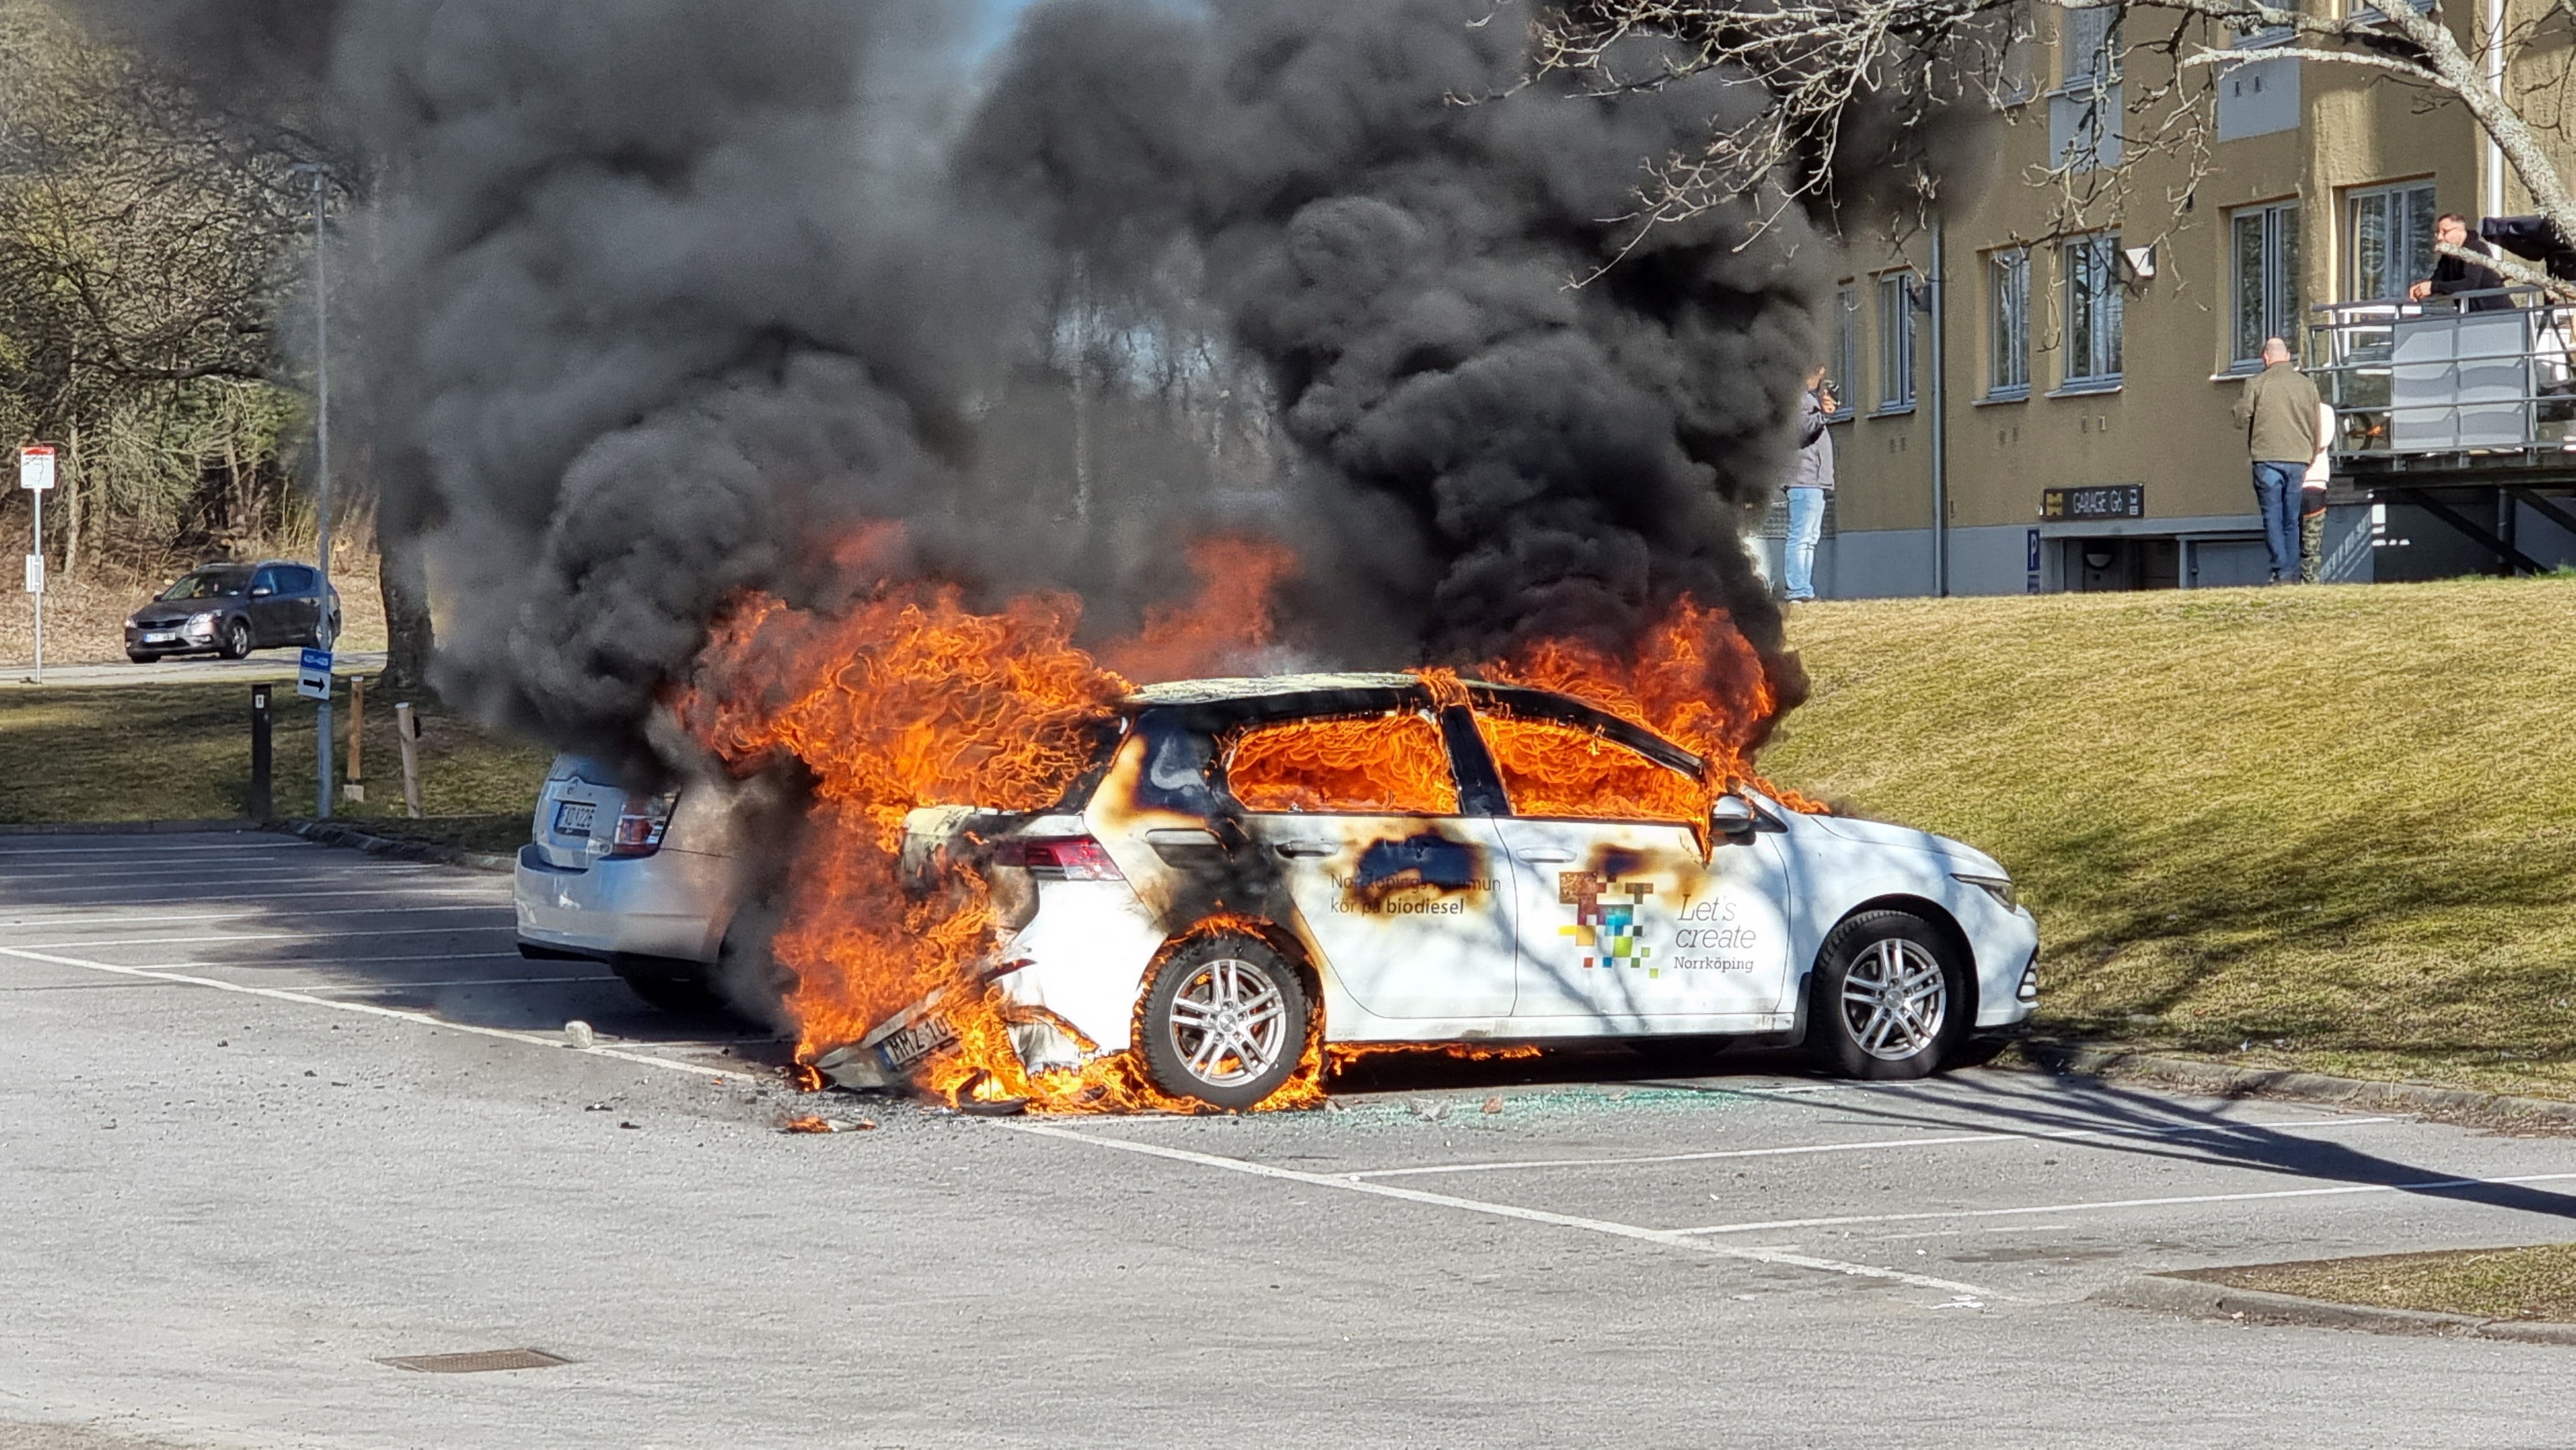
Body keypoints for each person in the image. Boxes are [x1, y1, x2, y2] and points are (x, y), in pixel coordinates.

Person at [2232, 336, 2324, 584]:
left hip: (2267, 458)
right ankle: (2292, 573)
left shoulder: (2257, 383)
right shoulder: (2307, 386)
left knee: (2272, 515)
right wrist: (2311, 456)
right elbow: (2317, 425)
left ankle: (2281, 571)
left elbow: (2241, 419)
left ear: (2265, 357)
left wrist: (2239, 406)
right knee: (2291, 518)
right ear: (2289, 356)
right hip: (2299, 459)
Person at [1781, 364, 1834, 602]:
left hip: (1812, 480)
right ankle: (1798, 590)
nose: (1822, 375)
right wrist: (1823, 414)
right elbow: (1802, 430)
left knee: (1809, 539)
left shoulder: (1806, 400)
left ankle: (1804, 589)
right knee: (1801, 537)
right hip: (1804, 479)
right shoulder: (1800, 401)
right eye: (1820, 371)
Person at [2409, 213, 2512, 312]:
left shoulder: (2476, 249)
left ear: (2460, 231)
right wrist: (2421, 288)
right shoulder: (2447, 256)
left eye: (2445, 232)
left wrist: (2432, 287)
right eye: (2437, 232)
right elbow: (2437, 281)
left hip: (2498, 315)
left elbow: (2470, 284)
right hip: (2472, 316)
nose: (2439, 237)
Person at [2300, 397, 2333, 583]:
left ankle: (2310, 584)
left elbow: (2323, 440)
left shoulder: (2323, 411)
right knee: (2287, 542)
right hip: (2289, 485)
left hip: (2313, 482)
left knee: (2311, 545)